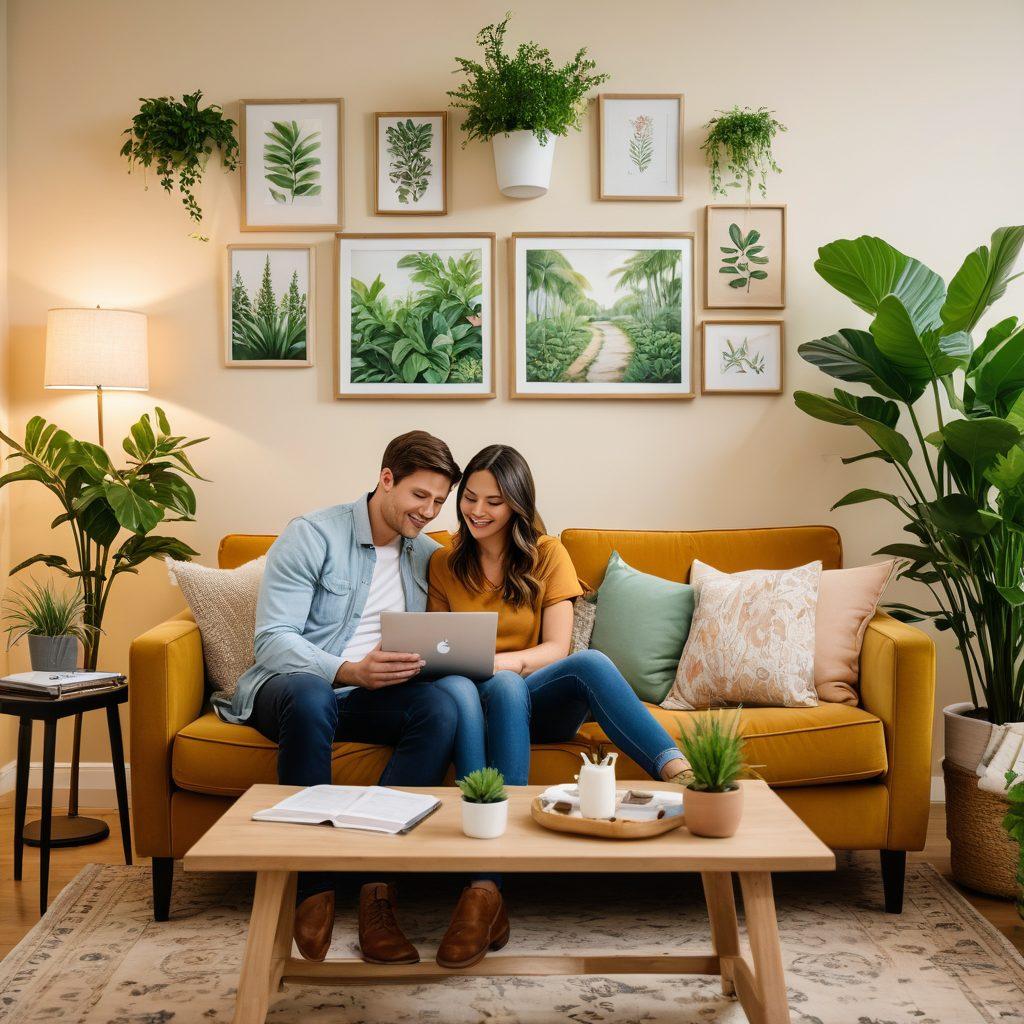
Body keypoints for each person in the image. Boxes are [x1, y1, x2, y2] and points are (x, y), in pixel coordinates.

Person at [427, 444, 690, 965]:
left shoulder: (547, 554)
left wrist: (498, 662)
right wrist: (488, 670)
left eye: (493, 502)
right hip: (474, 698)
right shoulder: (443, 561)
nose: (477, 512)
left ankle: (679, 772)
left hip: (540, 695)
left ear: (517, 505)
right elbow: (440, 648)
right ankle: (486, 888)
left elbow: (556, 649)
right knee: (499, 689)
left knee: (589, 663)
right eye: (469, 499)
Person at [213, 430, 467, 966]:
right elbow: (273, 640)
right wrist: (349, 669)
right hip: (290, 688)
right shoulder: (312, 534)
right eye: (420, 496)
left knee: (440, 707)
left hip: (371, 695)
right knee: (310, 696)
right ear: (386, 479)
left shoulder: (428, 555)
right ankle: (314, 888)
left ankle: (378, 890)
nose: (429, 511)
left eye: (440, 502)